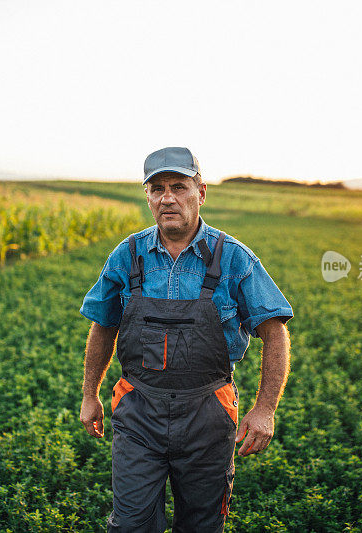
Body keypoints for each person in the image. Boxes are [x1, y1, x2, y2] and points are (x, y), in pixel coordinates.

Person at [79, 146, 293, 532]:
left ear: (201, 192)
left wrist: (265, 409)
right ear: (147, 196)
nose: (167, 198)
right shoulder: (128, 255)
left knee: (202, 524)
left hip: (208, 411)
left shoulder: (235, 259)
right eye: (157, 188)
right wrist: (89, 394)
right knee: (130, 525)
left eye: (179, 186)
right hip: (138, 408)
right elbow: (103, 325)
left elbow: (274, 331)